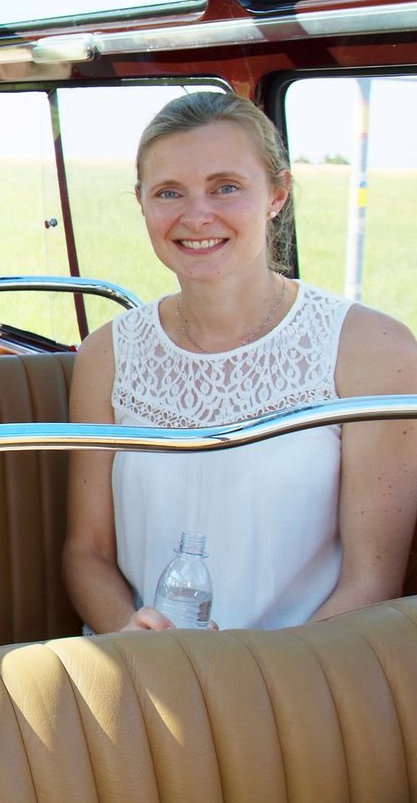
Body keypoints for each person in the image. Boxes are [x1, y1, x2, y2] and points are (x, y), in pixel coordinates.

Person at [64, 91, 417, 633]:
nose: (196, 216)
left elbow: (371, 581)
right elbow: (87, 552)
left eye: (225, 187)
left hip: (306, 669)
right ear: (141, 203)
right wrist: (131, 637)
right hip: (138, 663)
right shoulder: (106, 354)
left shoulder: (374, 350)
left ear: (277, 193)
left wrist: (255, 673)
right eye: (169, 192)